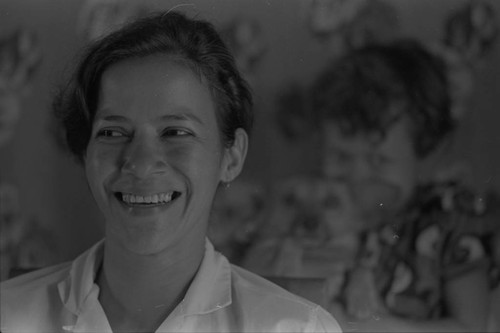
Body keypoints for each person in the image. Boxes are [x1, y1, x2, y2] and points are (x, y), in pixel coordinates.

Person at [0, 11, 342, 333]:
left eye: (176, 132)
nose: (142, 162)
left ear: (231, 156)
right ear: (85, 152)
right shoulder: (9, 315)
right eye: (113, 132)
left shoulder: (295, 328)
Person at [243, 39, 496, 332]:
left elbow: (473, 325)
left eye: (379, 161)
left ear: (425, 156)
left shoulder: (449, 215)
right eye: (340, 156)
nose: (357, 175)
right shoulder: (321, 207)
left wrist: (369, 328)